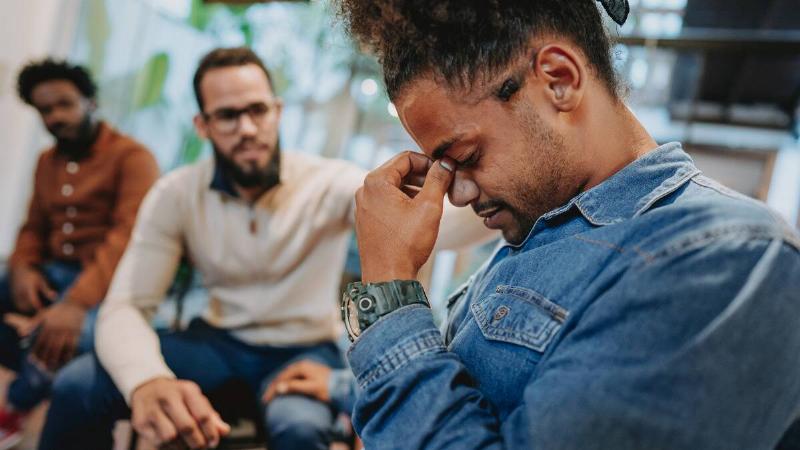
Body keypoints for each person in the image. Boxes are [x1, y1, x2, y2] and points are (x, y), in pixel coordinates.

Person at [333, 0, 800, 449]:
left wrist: (390, 294)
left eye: (468, 158)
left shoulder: (724, 257)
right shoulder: (545, 228)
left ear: (559, 80)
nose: (460, 193)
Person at [39, 47, 490, 450]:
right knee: (76, 386)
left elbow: (443, 229)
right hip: (214, 342)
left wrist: (497, 183)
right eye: (228, 116)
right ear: (204, 125)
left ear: (277, 112)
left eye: (257, 110)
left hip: (301, 351)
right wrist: (147, 382)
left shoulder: (327, 182)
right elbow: (127, 306)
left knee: (300, 430)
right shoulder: (177, 193)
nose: (248, 128)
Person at [0, 59, 158, 449]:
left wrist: (74, 305)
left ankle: (18, 402)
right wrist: (22, 269)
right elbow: (33, 227)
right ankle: (31, 341)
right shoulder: (46, 161)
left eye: (65, 104)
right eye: (45, 110)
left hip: (109, 285)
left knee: (80, 340)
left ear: (91, 102)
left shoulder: (132, 157)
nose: (55, 117)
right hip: (52, 274)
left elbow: (126, 240)